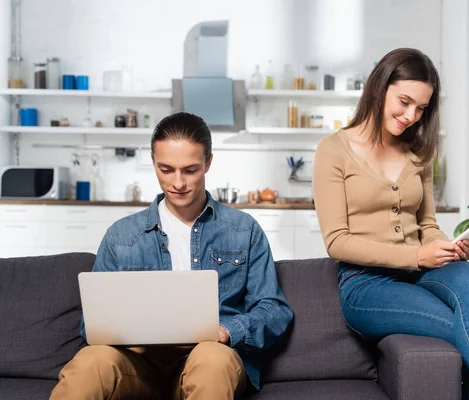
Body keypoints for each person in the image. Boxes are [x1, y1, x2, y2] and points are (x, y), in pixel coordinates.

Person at [312, 48, 469, 400]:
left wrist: (449, 247)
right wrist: (417, 257)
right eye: (404, 102)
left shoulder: (417, 152)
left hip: (421, 273)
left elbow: (428, 226)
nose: (411, 116)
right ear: (379, 87)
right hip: (365, 284)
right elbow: (337, 242)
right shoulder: (333, 149)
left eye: (421, 109)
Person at [50, 112, 293, 400]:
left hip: (211, 358)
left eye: (190, 170)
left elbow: (274, 310)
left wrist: (227, 331)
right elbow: (90, 327)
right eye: (166, 169)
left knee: (212, 360)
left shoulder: (244, 230)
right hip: (136, 364)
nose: (177, 183)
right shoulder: (121, 235)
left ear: (208, 163)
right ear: (153, 162)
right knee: (91, 362)